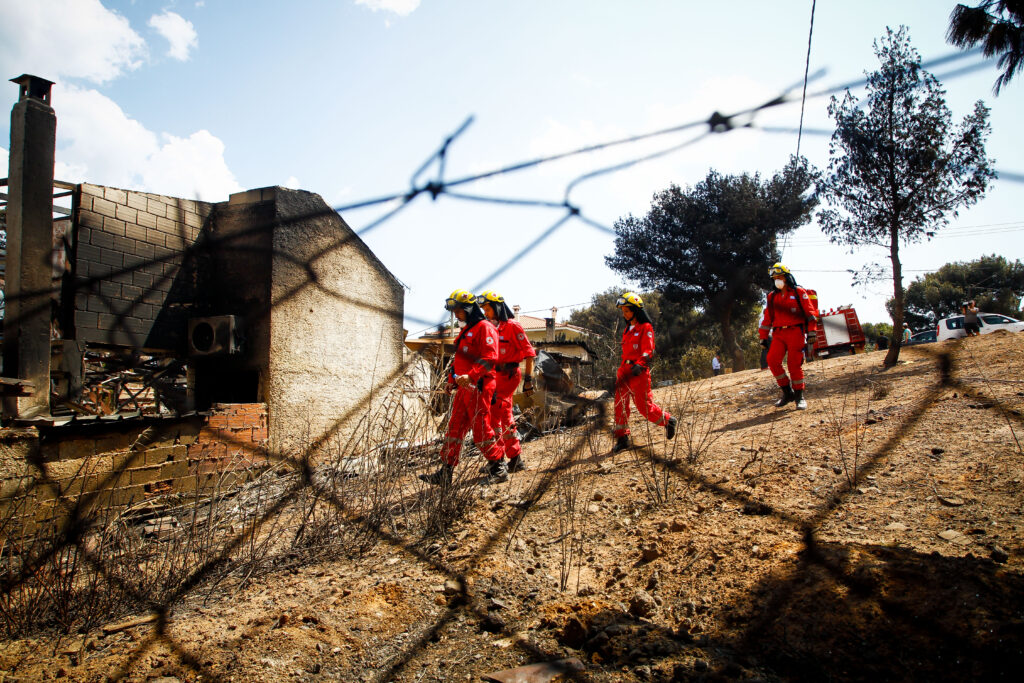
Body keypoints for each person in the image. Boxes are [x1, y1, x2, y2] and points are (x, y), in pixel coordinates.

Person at [420, 289, 504, 487]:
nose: (456, 314)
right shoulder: (466, 331)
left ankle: (498, 467)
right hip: (464, 387)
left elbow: (490, 358)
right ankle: (445, 472)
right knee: (454, 429)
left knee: (480, 429)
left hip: (479, 386)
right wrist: (452, 380)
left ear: (469, 309)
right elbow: (459, 360)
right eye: (454, 310)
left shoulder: (485, 328)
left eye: (459, 310)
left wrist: (472, 376)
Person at [477, 289, 536, 474]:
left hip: (510, 375)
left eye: (488, 309)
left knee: (500, 413)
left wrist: (528, 381)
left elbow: (529, 354)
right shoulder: (487, 327)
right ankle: (505, 458)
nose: (485, 313)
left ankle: (511, 458)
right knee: (495, 416)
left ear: (497, 307)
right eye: (483, 309)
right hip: (493, 376)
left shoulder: (513, 326)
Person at [611, 292, 677, 453]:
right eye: (623, 311)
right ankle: (622, 438)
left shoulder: (645, 328)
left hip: (638, 372)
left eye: (627, 310)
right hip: (624, 371)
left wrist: (640, 365)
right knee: (619, 405)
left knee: (643, 407)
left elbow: (648, 350)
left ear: (636, 310)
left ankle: (668, 420)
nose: (624, 314)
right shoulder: (627, 329)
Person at [758, 263, 818, 410]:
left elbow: (810, 314)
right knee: (772, 360)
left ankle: (799, 397)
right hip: (778, 334)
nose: (777, 280)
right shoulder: (772, 297)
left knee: (794, 364)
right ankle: (787, 392)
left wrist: (812, 332)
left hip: (795, 332)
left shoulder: (799, 292)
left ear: (786, 277)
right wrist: (763, 337)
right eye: (774, 278)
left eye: (779, 277)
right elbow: (767, 319)